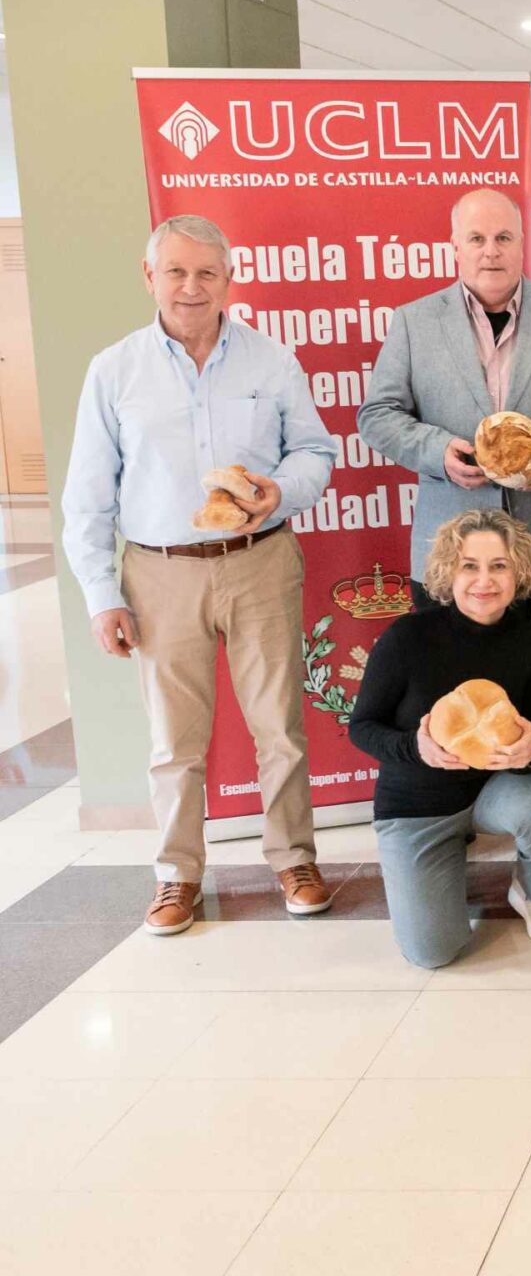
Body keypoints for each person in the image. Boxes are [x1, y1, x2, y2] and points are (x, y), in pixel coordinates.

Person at [63, 216, 338, 936]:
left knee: (279, 725)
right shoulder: (114, 370)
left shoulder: (271, 361)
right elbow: (87, 497)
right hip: (160, 573)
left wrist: (282, 491)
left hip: (262, 562)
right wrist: (102, 596)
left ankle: (294, 858)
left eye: (206, 274)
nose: (191, 288)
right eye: (176, 272)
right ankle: (177, 874)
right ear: (149, 277)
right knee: (174, 741)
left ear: (228, 280)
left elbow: (314, 451)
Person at [358, 186, 531, 588]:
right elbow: (377, 415)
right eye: (477, 239)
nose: (491, 251)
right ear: (455, 247)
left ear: (522, 244)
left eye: (503, 238)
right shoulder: (415, 322)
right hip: (451, 555)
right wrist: (438, 452)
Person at [349, 511, 531, 966]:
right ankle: (443, 862)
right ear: (448, 571)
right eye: (470, 565)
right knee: (432, 953)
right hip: (417, 804)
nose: (484, 580)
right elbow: (362, 727)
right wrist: (417, 748)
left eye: (499, 565)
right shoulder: (407, 637)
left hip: (497, 790)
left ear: (519, 572)